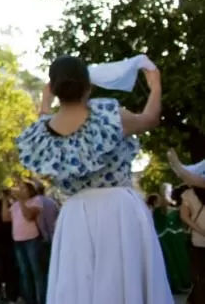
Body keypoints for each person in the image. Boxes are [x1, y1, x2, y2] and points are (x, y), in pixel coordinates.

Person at [15, 55, 170, 303]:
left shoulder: (42, 132)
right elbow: (149, 119)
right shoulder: (108, 116)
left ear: (54, 88)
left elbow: (44, 115)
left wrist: (46, 99)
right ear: (87, 84)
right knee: (125, 280)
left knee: (80, 286)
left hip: (75, 214)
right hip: (119, 209)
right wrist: (156, 86)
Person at [1, 179, 46, 304]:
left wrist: (20, 200)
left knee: (37, 272)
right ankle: (29, 300)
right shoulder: (15, 205)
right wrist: (5, 199)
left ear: (30, 190)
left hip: (32, 240)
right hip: (18, 241)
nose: (20, 190)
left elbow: (28, 216)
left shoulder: (36, 201)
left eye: (23, 188)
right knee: (24, 273)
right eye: (19, 188)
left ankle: (41, 300)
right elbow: (5, 218)